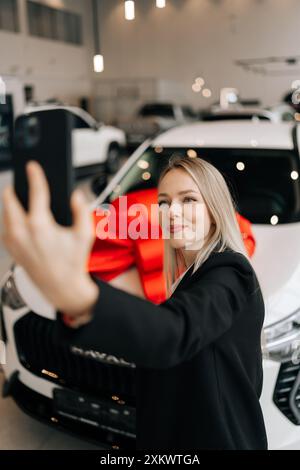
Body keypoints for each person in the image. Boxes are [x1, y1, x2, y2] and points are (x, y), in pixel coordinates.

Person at [1, 155, 268, 450]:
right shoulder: (191, 272)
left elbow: (175, 331)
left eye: (188, 200)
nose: (171, 212)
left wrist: (79, 294)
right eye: (164, 202)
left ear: (215, 210)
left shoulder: (232, 272)